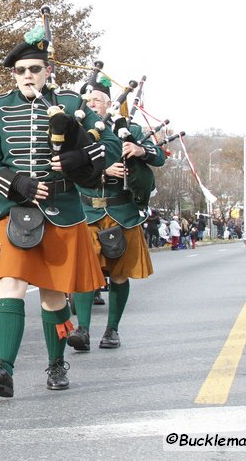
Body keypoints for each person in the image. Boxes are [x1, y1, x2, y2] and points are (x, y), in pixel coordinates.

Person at [0, 24, 119, 397]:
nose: (27, 76)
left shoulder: (71, 104)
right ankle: (3, 367)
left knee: (54, 295)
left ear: (48, 71)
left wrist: (77, 157)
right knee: (11, 285)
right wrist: (15, 182)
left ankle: (55, 365)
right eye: (20, 71)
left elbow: (111, 146)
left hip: (63, 209)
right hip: (14, 207)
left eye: (34, 69)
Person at [68, 77, 166, 352]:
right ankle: (83, 330)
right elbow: (65, 167)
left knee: (120, 275)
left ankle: (112, 330)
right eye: (86, 101)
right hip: (86, 212)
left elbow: (159, 157)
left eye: (96, 100)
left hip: (122, 212)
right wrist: (102, 172)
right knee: (84, 274)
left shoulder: (129, 128)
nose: (91, 104)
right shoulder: (75, 131)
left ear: (110, 104)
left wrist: (140, 149)